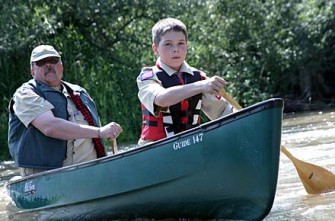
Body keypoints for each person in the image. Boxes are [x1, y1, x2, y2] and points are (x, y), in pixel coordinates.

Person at [8, 44, 123, 177]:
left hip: (90, 173)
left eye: (53, 60)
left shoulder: (79, 92)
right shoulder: (25, 95)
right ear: (32, 71)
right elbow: (50, 127)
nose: (48, 65)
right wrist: (100, 132)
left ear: (61, 66)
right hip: (49, 176)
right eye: (41, 62)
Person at [136, 18, 235, 146]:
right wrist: (201, 86)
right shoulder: (147, 77)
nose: (176, 49)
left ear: (187, 46)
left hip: (191, 145)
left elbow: (223, 112)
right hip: (156, 149)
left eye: (181, 43)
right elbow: (161, 99)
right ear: (155, 49)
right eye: (168, 44)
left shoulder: (198, 77)